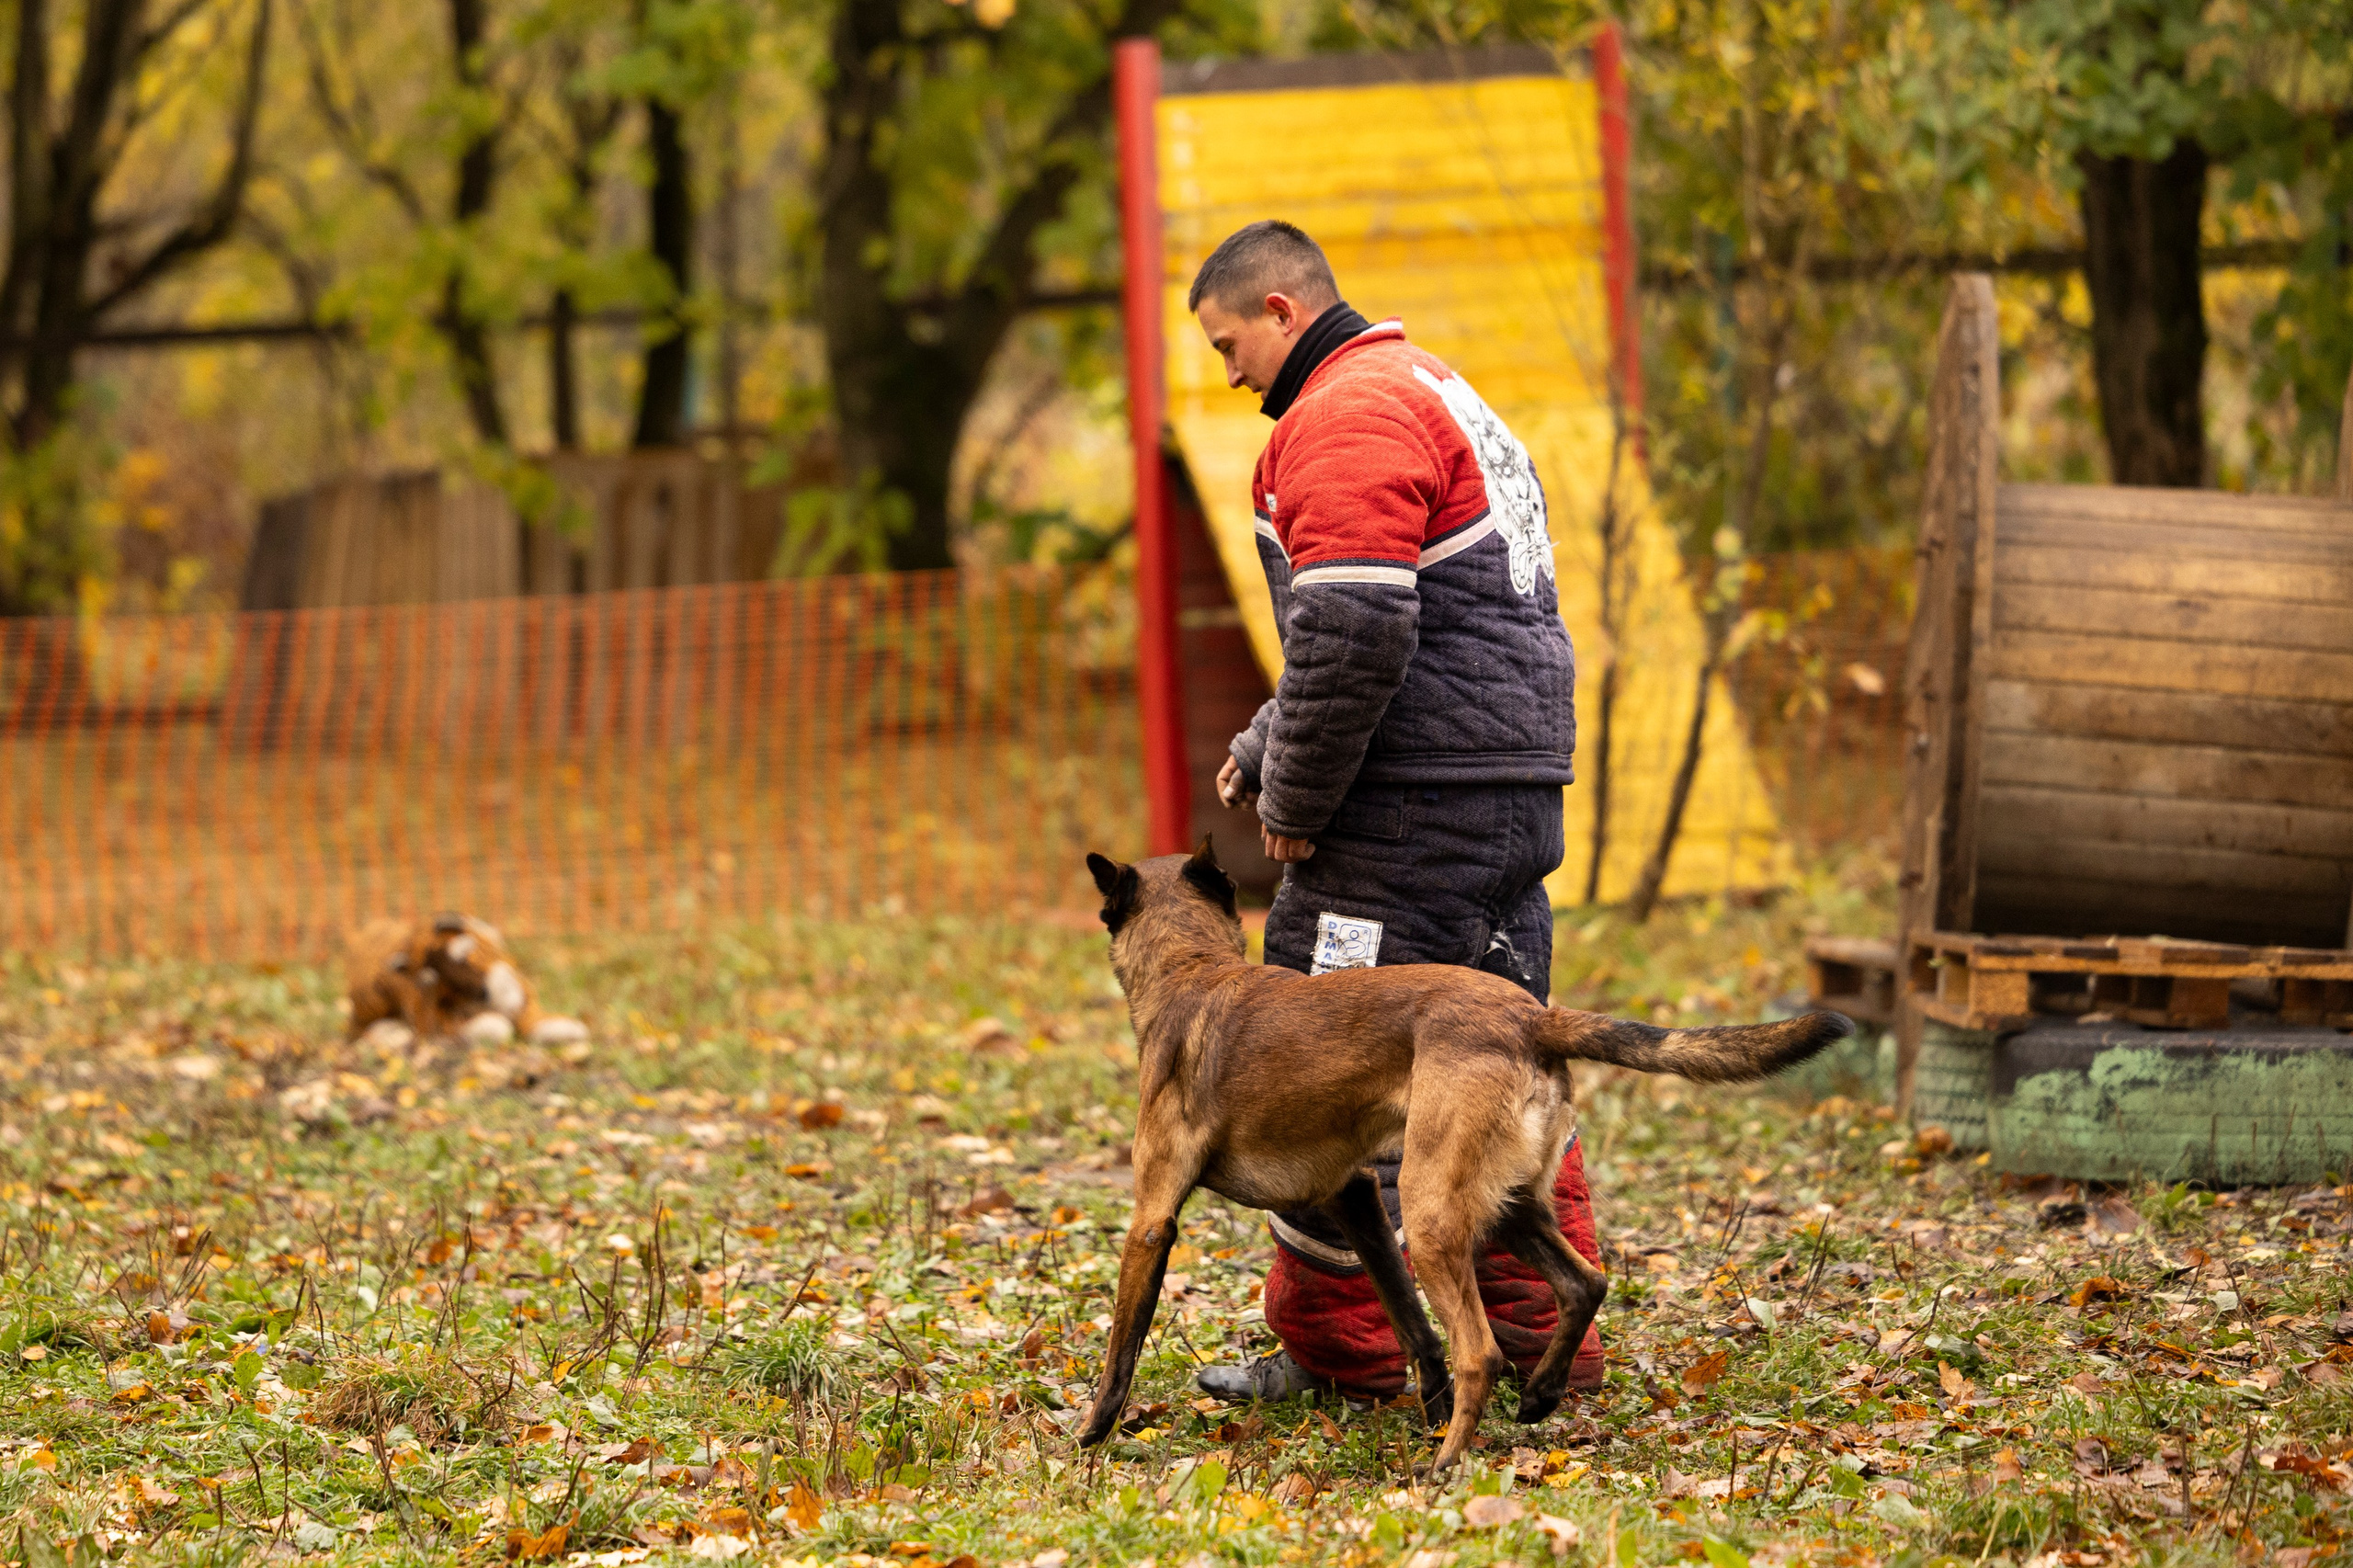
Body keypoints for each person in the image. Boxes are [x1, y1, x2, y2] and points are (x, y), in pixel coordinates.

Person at [1187, 219, 1605, 1404]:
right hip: (1501, 790)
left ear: (1280, 312)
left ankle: (1351, 1352)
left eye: (1230, 344)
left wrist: (1301, 796)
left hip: (1414, 807)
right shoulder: (1431, 387)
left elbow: (1361, 624)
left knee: (1311, 1049)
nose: (1229, 376)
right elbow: (1417, 614)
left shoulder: (1346, 414)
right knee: (1501, 1050)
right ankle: (1533, 1337)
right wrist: (1266, 742)